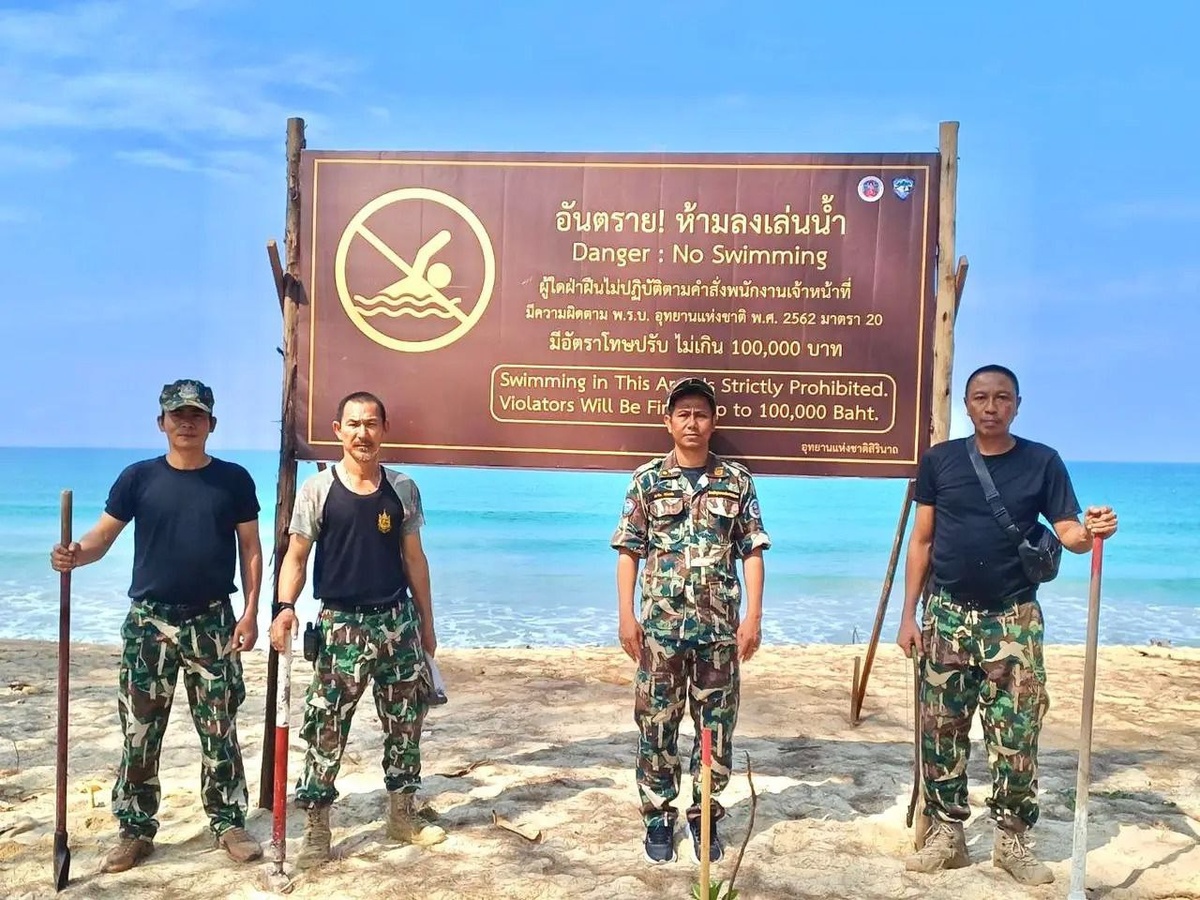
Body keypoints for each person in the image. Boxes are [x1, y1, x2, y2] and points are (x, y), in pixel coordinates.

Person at [896, 364, 1118, 886]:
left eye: (1002, 397)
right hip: (946, 614)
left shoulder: (1042, 462)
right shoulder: (940, 461)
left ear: (1017, 404)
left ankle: (1012, 840)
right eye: (980, 397)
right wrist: (908, 615)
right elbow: (922, 540)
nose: (991, 406)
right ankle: (947, 835)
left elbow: (1068, 532)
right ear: (966, 405)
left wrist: (1092, 531)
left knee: (1017, 733)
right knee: (941, 730)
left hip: (1014, 619)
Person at [50, 379, 264, 873]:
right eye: (177, 414)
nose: (187, 423)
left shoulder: (233, 480)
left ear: (212, 423)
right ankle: (134, 830)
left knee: (220, 728)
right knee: (140, 731)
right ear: (161, 423)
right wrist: (75, 555)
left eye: (196, 414)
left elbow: (251, 549)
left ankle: (228, 822)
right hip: (149, 623)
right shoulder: (137, 478)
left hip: (213, 621)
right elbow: (103, 536)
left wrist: (251, 612)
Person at [268, 390, 445, 869]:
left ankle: (402, 815)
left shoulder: (402, 489)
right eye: (353, 424)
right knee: (325, 728)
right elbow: (296, 557)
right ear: (338, 430)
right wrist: (285, 608)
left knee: (405, 724)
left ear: (383, 430)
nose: (362, 433)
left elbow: (415, 559)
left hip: (397, 623)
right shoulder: (318, 490)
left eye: (371, 424)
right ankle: (317, 828)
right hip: (340, 626)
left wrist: (427, 624)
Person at [610, 376, 771, 864]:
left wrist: (754, 617)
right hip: (659, 632)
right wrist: (625, 616)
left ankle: (704, 818)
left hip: (719, 632)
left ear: (713, 421)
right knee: (656, 725)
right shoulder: (646, 481)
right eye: (683, 414)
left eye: (701, 414)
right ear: (668, 422)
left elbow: (752, 550)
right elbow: (629, 551)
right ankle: (658, 818)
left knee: (715, 729)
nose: (692, 422)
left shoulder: (737, 481)